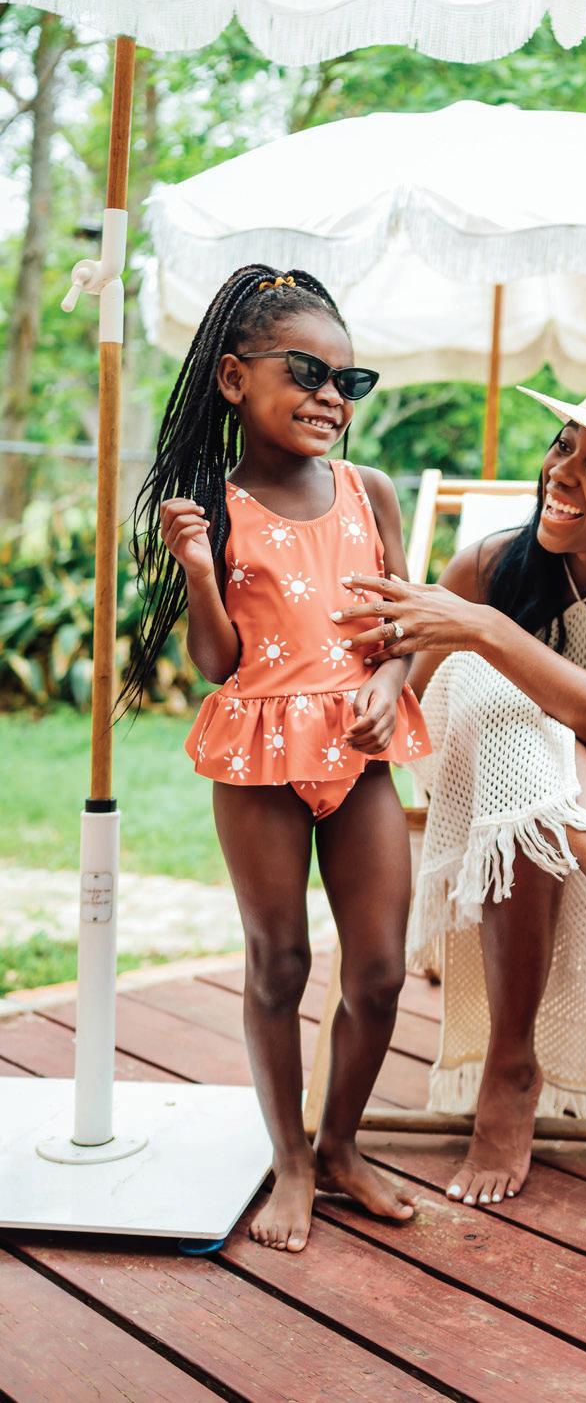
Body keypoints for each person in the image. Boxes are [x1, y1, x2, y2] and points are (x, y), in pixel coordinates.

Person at [333, 358, 586, 1209]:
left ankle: (511, 1062)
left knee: (511, 698)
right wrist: (447, 650)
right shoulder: (488, 565)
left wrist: (489, 631)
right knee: (489, 683)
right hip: (460, 758)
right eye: (563, 446)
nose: (560, 471)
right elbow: (406, 696)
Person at [125, 264, 429, 1255]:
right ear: (233, 378)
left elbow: (404, 623)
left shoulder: (367, 492)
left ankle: (340, 1144)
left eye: (349, 380)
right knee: (280, 962)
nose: (331, 396)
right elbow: (217, 662)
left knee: (378, 969)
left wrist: (389, 682)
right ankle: (290, 1158)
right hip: (259, 758)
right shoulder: (211, 505)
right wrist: (198, 570)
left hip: (359, 755)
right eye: (306, 372)